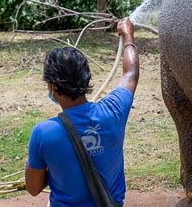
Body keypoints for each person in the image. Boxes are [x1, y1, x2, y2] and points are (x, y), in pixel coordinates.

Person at [25, 18, 139, 206]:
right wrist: (128, 34)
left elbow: (33, 188)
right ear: (86, 79)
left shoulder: (43, 134)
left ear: (52, 87)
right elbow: (131, 73)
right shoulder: (113, 111)